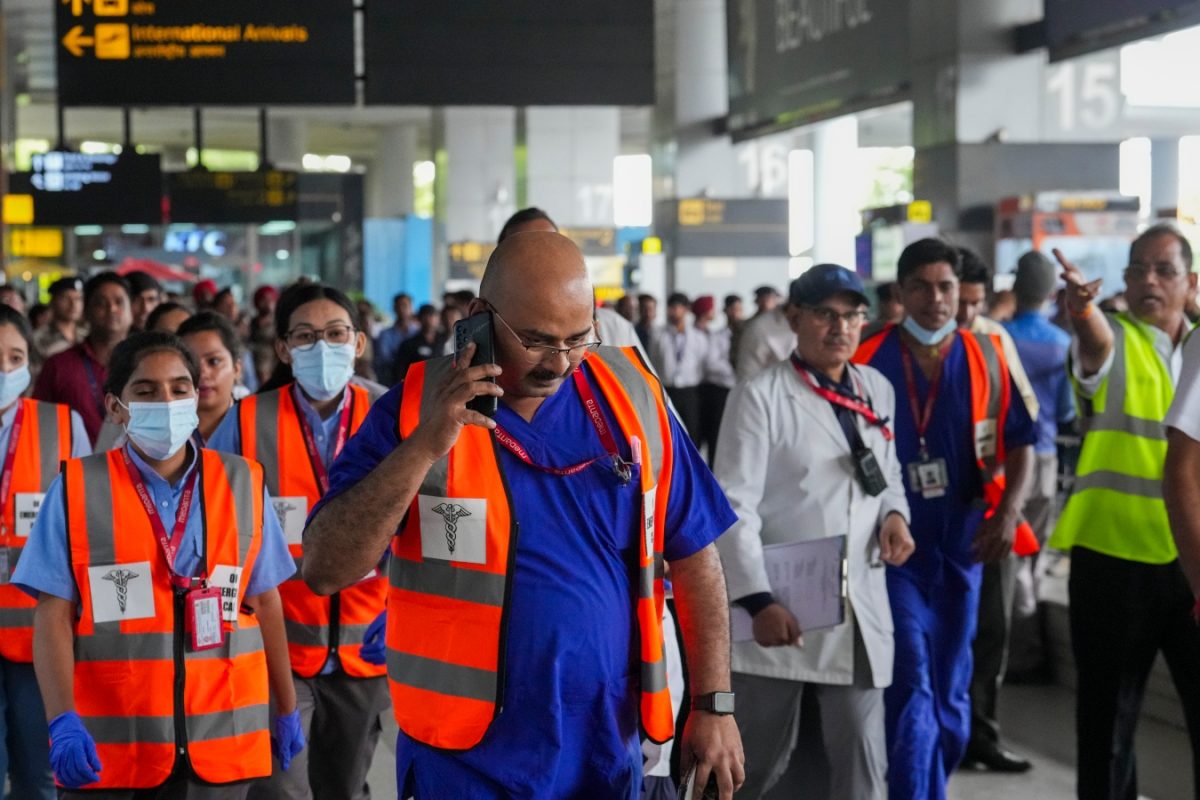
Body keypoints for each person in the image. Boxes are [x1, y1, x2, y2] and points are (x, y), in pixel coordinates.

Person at [300, 231, 745, 799]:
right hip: (464, 758)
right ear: (480, 317)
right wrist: (422, 448)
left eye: (577, 338)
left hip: (606, 745)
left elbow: (694, 556)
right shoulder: (411, 408)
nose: (559, 363)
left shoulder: (634, 397)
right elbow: (325, 567)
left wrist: (713, 704)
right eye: (535, 341)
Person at [13, 331, 302, 798]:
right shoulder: (76, 488)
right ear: (115, 407)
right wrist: (61, 718)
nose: (165, 402)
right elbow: (51, 616)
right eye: (145, 391)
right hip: (114, 747)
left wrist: (286, 707)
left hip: (221, 740)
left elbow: (266, 601)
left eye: (179, 388)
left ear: (195, 395)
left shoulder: (243, 481)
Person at [715, 264, 914, 799]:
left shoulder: (876, 389)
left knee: (862, 765)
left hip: (858, 607)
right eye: (826, 314)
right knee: (748, 764)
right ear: (795, 318)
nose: (841, 327)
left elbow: (887, 474)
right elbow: (734, 505)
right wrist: (758, 601)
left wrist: (896, 516)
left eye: (853, 315)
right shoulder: (760, 396)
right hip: (781, 607)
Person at [853, 238, 1035, 800]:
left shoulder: (987, 356)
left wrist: (1008, 514)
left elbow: (1023, 442)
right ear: (901, 293)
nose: (937, 299)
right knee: (910, 681)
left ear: (961, 293)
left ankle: (931, 773)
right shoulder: (866, 357)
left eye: (947, 287)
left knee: (953, 700)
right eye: (923, 287)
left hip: (964, 546)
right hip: (891, 551)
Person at [209, 284, 389, 800]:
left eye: (335, 334)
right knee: (281, 791)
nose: (321, 348)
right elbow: (219, 523)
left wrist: (403, 609)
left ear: (357, 343)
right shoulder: (245, 421)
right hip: (277, 650)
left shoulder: (393, 414)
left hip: (364, 647)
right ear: (284, 349)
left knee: (346, 787)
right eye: (306, 337)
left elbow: (418, 520)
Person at [1049, 224, 1200, 800]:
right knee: (1108, 726)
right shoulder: (1113, 335)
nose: (1149, 282)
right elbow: (1092, 344)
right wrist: (1081, 311)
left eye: (1164, 270)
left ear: (1191, 283)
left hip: (1192, 562)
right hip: (1114, 562)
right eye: (1137, 269)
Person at [955, 246, 1039, 774]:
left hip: (987, 503)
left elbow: (1023, 427)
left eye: (973, 302)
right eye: (953, 298)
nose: (962, 313)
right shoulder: (893, 347)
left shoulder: (994, 339)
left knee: (992, 629)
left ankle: (981, 735)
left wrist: (1010, 510)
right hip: (921, 516)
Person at [0, 305, 90, 800]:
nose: (4, 371)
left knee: (39, 779)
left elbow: (83, 526)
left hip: (38, 633)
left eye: (15, 358)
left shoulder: (61, 425)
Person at [1002, 251, 1075, 683]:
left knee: (1002, 554)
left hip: (999, 464)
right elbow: (1067, 409)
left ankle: (1002, 645)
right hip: (1044, 458)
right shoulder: (1061, 344)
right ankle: (1025, 653)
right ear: (1051, 293)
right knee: (1029, 554)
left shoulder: (997, 337)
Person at [34, 272, 132, 445]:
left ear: (131, 311)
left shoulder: (146, 364)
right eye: (101, 303)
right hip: (73, 467)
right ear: (85, 312)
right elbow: (38, 425)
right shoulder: (58, 365)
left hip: (134, 468)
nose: (112, 309)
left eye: (119, 302)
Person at [178, 312, 246, 443]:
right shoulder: (166, 433)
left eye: (214, 361)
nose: (202, 374)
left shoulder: (258, 425)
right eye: (191, 363)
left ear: (237, 368)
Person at [649, 292, 709, 439]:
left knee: (692, 433)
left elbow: (702, 363)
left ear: (686, 310)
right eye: (672, 308)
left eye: (679, 308)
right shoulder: (658, 335)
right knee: (668, 432)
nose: (675, 311)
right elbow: (653, 361)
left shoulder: (698, 337)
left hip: (690, 392)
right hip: (667, 390)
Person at [693, 295, 735, 464]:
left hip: (720, 388)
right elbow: (710, 364)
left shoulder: (714, 333)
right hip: (707, 389)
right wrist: (734, 372)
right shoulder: (702, 334)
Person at [736, 289, 794, 383]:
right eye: (764, 299)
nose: (767, 303)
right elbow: (746, 375)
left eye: (770, 299)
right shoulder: (754, 326)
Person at [33, 277, 85, 362]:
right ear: (53, 302)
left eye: (78, 299)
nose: (73, 304)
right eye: (66, 298)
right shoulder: (38, 339)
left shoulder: (87, 335)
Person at [374, 293, 419, 386]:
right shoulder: (385, 334)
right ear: (394, 308)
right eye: (399, 306)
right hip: (393, 380)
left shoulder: (418, 332)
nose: (402, 309)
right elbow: (385, 359)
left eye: (405, 305)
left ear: (411, 308)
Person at [391, 303, 445, 381]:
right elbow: (400, 371)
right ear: (419, 319)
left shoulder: (445, 341)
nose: (429, 320)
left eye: (432, 316)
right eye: (425, 316)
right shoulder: (409, 344)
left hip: (442, 384)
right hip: (417, 384)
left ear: (438, 319)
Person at [250, 286, 280, 387]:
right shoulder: (251, 323)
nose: (267, 303)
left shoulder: (278, 323)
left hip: (271, 364)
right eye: (264, 300)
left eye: (270, 300)